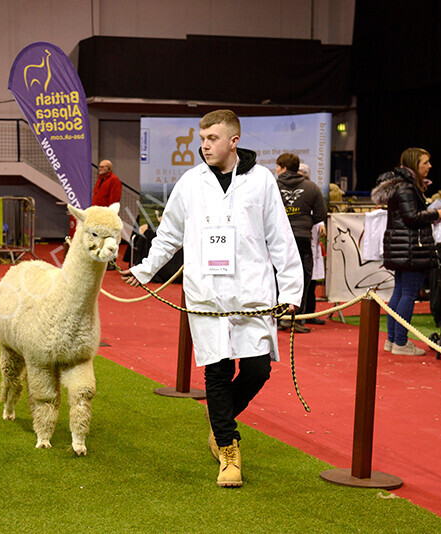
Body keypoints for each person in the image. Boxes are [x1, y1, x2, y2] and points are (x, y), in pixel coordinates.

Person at [119, 110, 303, 487]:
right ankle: (228, 448)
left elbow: (281, 238)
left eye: (213, 138)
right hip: (206, 294)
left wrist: (291, 290)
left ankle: (220, 418)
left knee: (257, 369)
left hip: (252, 293)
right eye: (202, 138)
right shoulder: (190, 182)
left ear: (234, 141)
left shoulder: (262, 181)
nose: (204, 145)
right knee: (216, 370)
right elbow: (168, 234)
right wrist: (144, 270)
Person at [371, 147, 441, 356]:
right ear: (415, 164)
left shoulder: (401, 186)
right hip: (411, 248)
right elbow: (411, 217)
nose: (429, 166)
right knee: (408, 295)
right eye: (425, 162)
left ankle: (393, 340)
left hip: (403, 248)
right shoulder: (406, 187)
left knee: (400, 292)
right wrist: (435, 213)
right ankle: (401, 342)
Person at [275, 153, 327, 333]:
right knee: (303, 278)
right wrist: (304, 223)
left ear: (282, 168)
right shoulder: (311, 187)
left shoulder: (273, 186)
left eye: (277, 167)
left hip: (278, 239)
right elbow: (321, 215)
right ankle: (297, 319)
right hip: (303, 238)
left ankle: (280, 317)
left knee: (277, 276)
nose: (276, 170)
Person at [299, 163, 327, 325]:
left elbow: (318, 211)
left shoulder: (312, 190)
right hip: (300, 235)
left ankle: (309, 312)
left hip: (311, 236)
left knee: (311, 278)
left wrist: (321, 223)